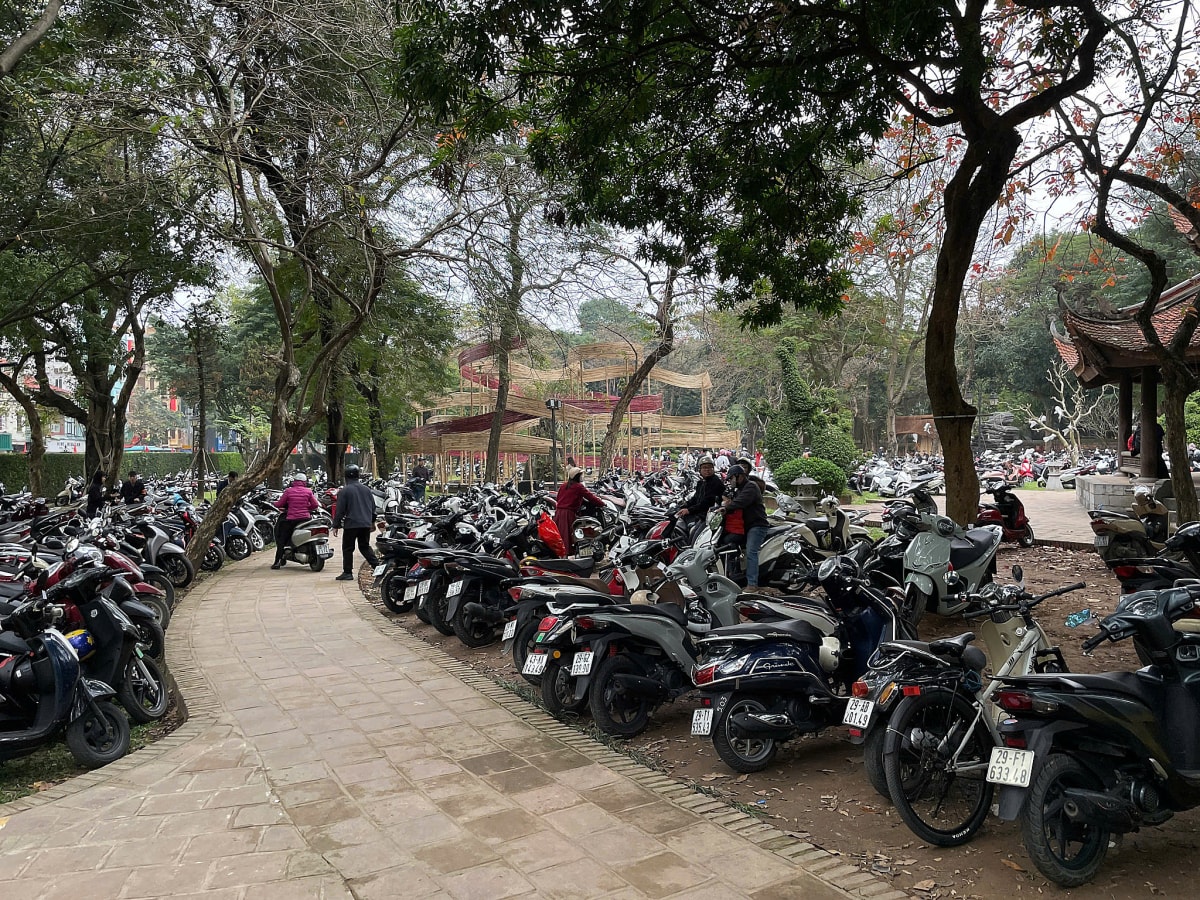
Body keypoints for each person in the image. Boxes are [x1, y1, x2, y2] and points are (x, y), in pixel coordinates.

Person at [723, 464, 770, 589]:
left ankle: (752, 584)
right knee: (728, 542)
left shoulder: (751, 486)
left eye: (731, 478)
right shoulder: (739, 489)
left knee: (751, 552)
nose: (730, 481)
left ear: (739, 476)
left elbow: (740, 502)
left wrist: (726, 507)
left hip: (757, 525)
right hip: (745, 527)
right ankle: (735, 577)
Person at [332, 464, 379, 581]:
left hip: (351, 524)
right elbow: (373, 508)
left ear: (346, 477)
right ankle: (378, 567)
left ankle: (347, 572)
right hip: (365, 523)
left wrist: (336, 525)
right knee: (364, 547)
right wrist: (372, 522)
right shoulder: (367, 490)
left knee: (348, 548)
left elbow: (340, 510)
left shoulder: (344, 491)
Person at [554, 466, 605, 555]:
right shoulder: (578, 487)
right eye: (581, 475)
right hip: (568, 513)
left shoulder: (563, 485)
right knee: (569, 535)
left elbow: (558, 498)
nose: (582, 477)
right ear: (577, 476)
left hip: (559, 513)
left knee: (561, 535)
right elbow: (591, 497)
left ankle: (560, 553)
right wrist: (602, 504)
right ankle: (567, 554)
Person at [272, 474, 318, 569]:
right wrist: (306, 508)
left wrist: (273, 503)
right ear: (305, 482)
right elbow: (315, 505)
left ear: (294, 481)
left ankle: (277, 562)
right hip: (306, 519)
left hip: (291, 520)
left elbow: (280, 504)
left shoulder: (288, 491)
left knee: (281, 539)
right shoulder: (308, 491)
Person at [676, 455, 725, 534]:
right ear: (700, 470)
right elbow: (695, 498)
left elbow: (707, 502)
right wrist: (683, 506)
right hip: (701, 515)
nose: (707, 470)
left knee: (694, 535)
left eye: (709, 467)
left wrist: (689, 510)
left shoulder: (715, 482)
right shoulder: (701, 482)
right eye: (704, 468)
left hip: (710, 517)